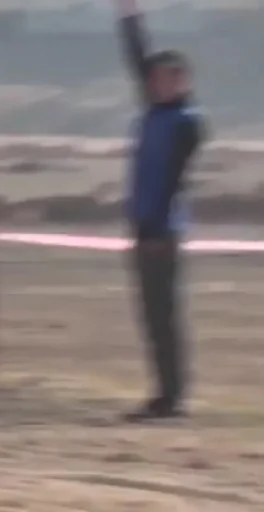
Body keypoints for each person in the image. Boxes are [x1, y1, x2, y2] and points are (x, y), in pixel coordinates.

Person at [115, 0, 205, 421]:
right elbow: (137, 57)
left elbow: (174, 180)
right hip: (143, 226)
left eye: (165, 78)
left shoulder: (187, 121)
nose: (155, 84)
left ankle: (173, 396)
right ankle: (163, 393)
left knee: (165, 316)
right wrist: (129, 15)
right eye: (153, 79)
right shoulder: (154, 110)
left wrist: (155, 229)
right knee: (150, 316)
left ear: (182, 81)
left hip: (162, 231)